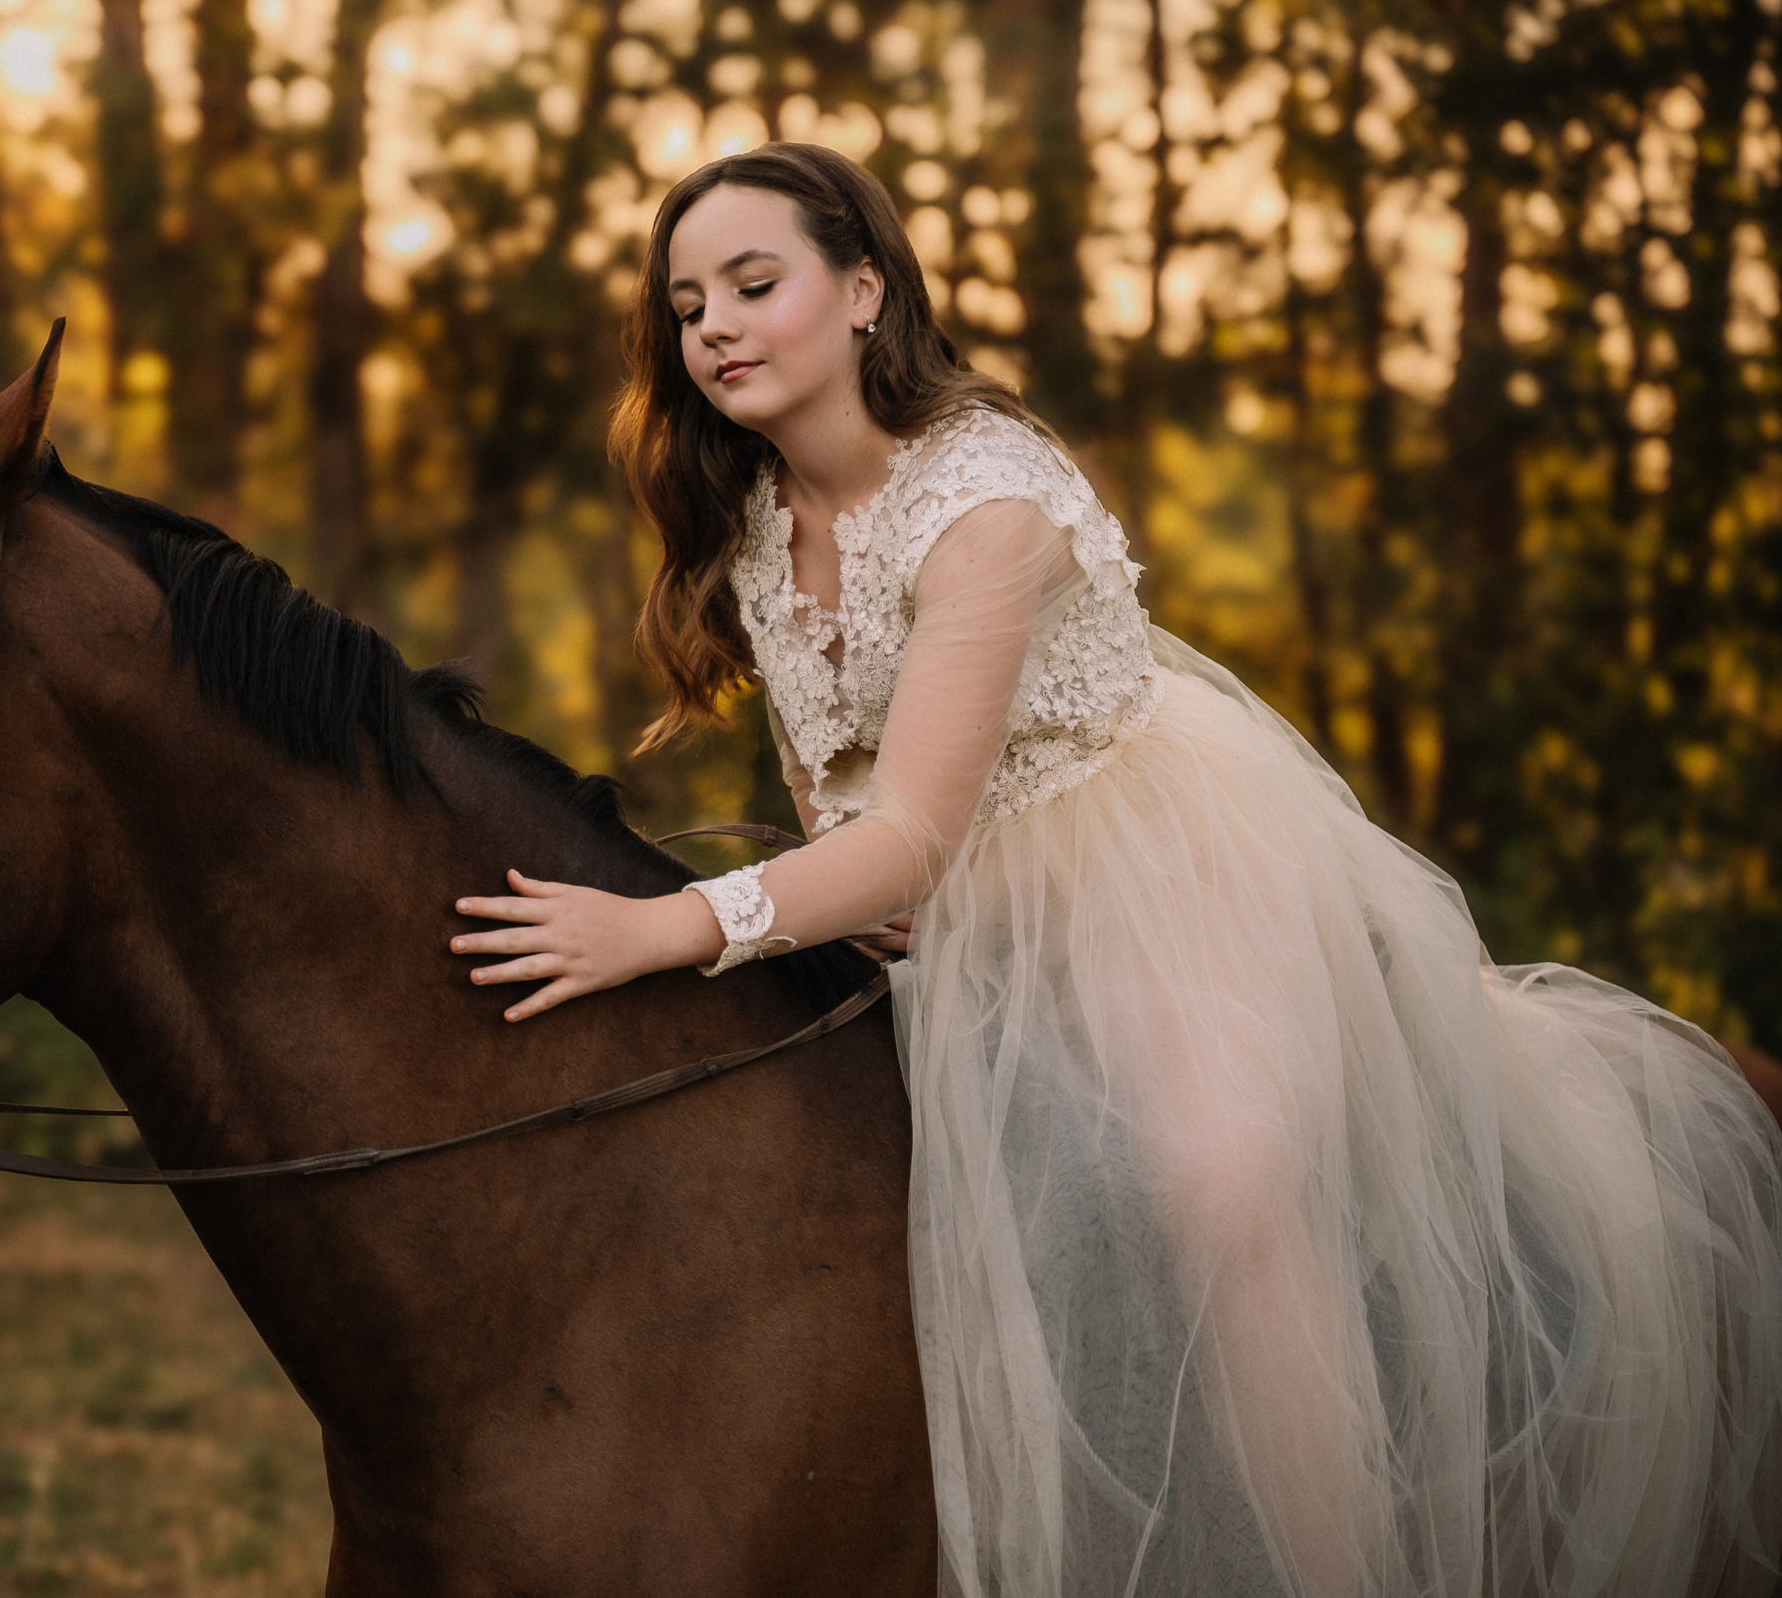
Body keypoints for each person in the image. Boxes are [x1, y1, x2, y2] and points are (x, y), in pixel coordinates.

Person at [447, 142, 1782, 1597]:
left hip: (1147, 875)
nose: (712, 326)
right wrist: (850, 896)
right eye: (687, 302)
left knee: (1225, 1181)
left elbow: (920, 829)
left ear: (866, 291)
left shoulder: (987, 494)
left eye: (755, 284)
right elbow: (843, 792)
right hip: (960, 916)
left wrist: (669, 926)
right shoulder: (761, 523)